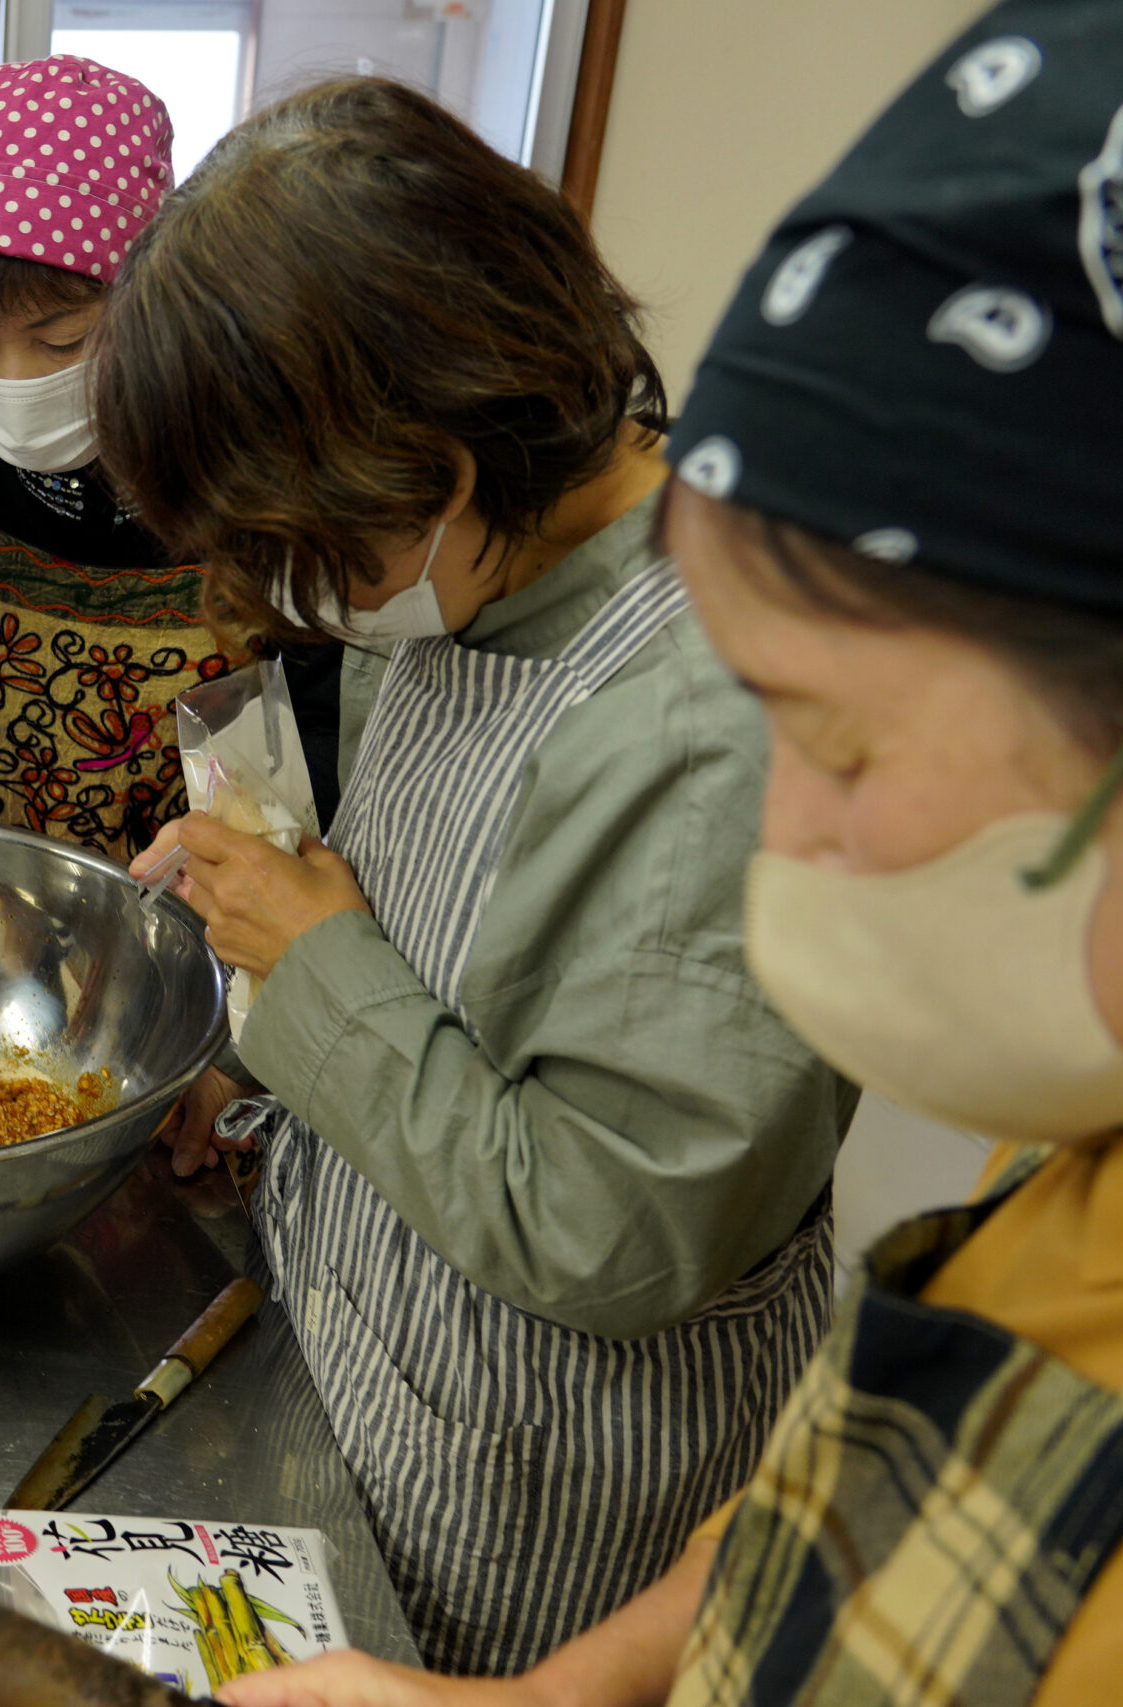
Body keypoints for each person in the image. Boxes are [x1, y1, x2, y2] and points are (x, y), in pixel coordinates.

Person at [221, 6, 1123, 1702]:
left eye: (837, 743)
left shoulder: (679, 716)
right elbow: (824, 1512)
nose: (784, 837)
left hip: (541, 1488)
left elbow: (618, 1226)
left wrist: (323, 983)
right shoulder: (1047, 1189)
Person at [96, 81, 853, 1674]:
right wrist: (257, 1067)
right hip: (358, 1384)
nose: (303, 600)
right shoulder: (467, 582)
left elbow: (613, 1227)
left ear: (436, 467)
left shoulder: (716, 713)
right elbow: (435, 940)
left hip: (527, 1522)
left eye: (317, 548)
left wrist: (315, 983)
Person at [0, 56, 341, 1123]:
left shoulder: (245, 425)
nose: (19, 378)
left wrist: (259, 1022)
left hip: (214, 870)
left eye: (63, 339)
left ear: (146, 299)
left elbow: (316, 699)